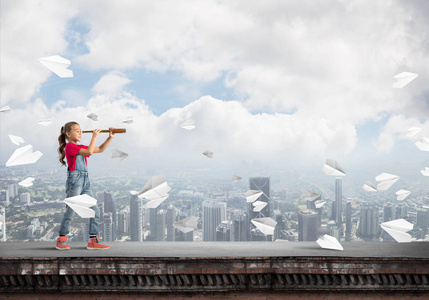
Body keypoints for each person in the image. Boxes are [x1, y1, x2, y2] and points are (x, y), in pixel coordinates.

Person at [56, 121, 115, 250]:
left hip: (85, 182)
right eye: (77, 130)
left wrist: (109, 137)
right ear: (68, 134)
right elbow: (89, 151)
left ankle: (93, 240)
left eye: (81, 130)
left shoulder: (79, 147)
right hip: (75, 181)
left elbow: (99, 149)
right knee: (71, 210)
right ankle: (61, 239)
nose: (80, 133)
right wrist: (94, 136)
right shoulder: (70, 147)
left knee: (96, 210)